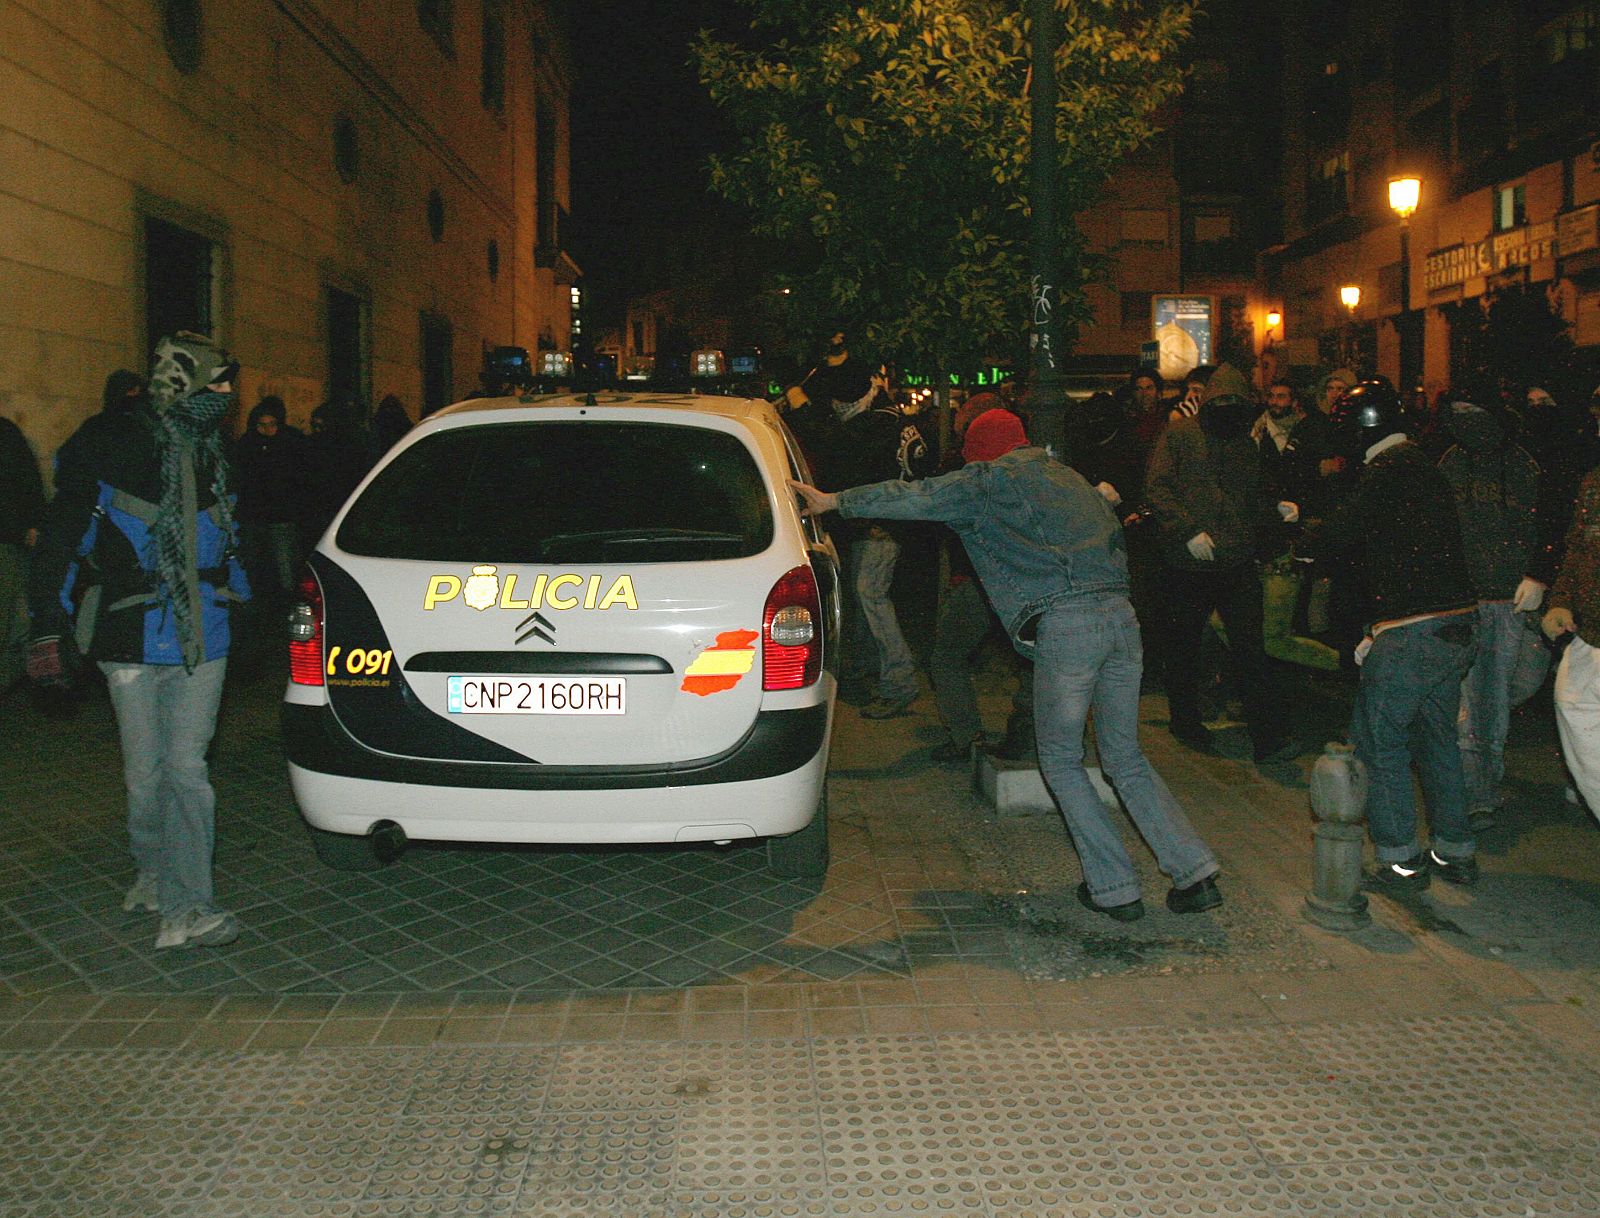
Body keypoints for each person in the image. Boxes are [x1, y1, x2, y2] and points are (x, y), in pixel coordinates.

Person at [791, 408, 1224, 920]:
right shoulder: (1071, 479)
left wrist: (835, 501)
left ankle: (1115, 888)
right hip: (1121, 620)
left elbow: (915, 496)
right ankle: (1195, 874)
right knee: (1125, 758)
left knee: (1061, 760)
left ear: (980, 451)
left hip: (1069, 626)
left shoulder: (988, 480)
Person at [27, 332, 250, 949]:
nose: (227, 395)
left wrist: (246, 602)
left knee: (186, 770)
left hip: (204, 635)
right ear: (182, 383)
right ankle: (152, 873)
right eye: (217, 382)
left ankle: (186, 909)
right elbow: (63, 539)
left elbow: (232, 541)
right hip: (130, 635)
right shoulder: (108, 445)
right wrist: (47, 625)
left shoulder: (217, 454)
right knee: (144, 777)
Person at [1310, 381, 1480, 890]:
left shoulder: (1386, 470)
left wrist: (1303, 524)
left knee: (1378, 743)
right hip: (1456, 623)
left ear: (1360, 428)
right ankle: (1455, 850)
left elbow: (1340, 534)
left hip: (1414, 629)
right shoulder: (1421, 464)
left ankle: (1400, 858)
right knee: (1437, 740)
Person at [1143, 364, 1301, 762]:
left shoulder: (1244, 445)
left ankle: (1267, 737)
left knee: (1249, 650)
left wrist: (1274, 509)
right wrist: (1187, 531)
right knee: (1185, 649)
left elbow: (1249, 497)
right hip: (1189, 564)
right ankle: (1186, 721)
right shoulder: (1180, 435)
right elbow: (1158, 487)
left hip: (1233, 560)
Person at [1437, 395, 1544, 831]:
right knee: (1479, 700)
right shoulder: (1452, 460)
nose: (1467, 422)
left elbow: (1541, 520)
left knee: (1502, 692)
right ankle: (1477, 792)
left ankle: (1477, 776)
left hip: (1508, 597)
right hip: (1467, 596)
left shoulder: (1521, 464)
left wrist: (1536, 574)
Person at [1544, 460, 1600, 827]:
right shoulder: (1594, 482)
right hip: (1591, 635)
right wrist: (1561, 600)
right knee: (1572, 702)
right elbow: (1578, 549)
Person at [232, 396, 310, 603]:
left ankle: (288, 602)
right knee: (254, 564)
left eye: (272, 424)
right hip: (253, 515)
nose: (267, 430)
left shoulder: (291, 443)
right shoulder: (248, 444)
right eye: (262, 425)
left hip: (281, 516)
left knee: (285, 565)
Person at [0, 414, 45, 692]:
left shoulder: (5, 433)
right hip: (8, 537)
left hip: (6, 539)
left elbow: (27, 480)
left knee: (10, 619)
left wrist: (33, 524)